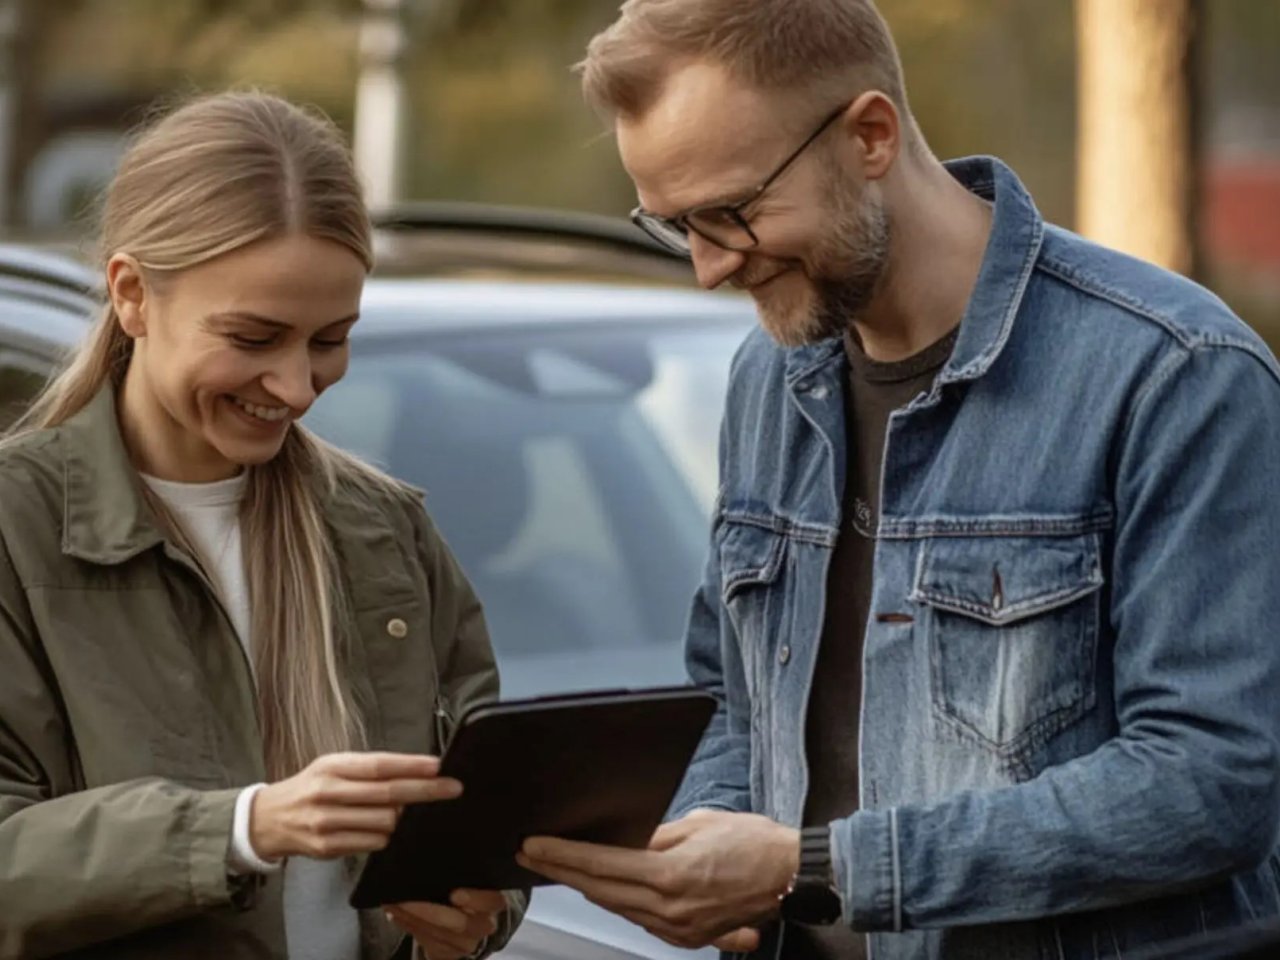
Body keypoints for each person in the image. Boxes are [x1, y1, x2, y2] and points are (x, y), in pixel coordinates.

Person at [517, 1, 1280, 958]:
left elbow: (1208, 785)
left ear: (870, 135)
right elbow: (731, 697)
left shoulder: (1175, 372)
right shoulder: (770, 376)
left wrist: (814, 867)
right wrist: (699, 848)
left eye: (731, 212)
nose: (708, 268)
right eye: (676, 225)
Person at [0, 91, 523, 960]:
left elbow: (481, 800)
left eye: (330, 340)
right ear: (131, 294)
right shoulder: (16, 529)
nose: (296, 385)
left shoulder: (387, 531)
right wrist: (244, 827)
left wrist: (479, 908)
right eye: (253, 337)